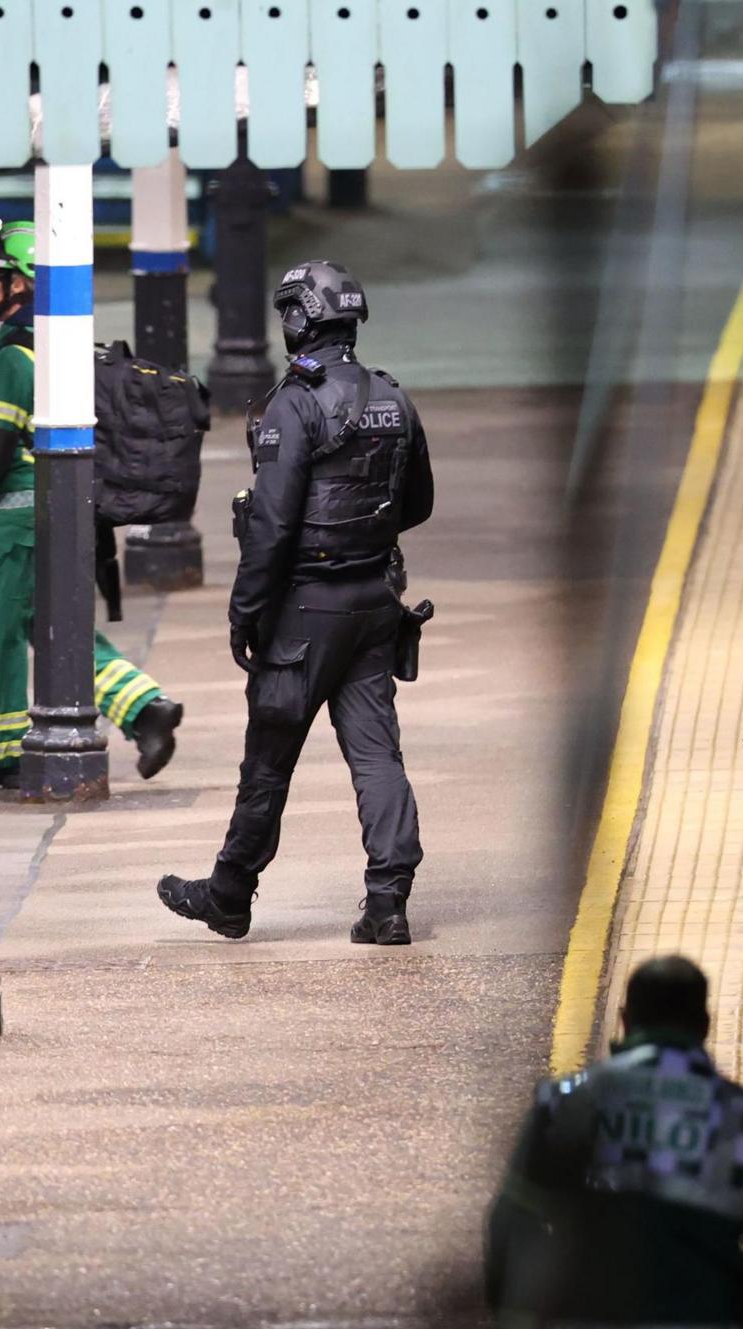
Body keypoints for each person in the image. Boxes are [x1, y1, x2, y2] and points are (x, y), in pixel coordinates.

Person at [156, 260, 431, 945]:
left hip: (305, 613)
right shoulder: (393, 398)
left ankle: (229, 893)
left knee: (269, 759)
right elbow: (419, 502)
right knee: (377, 755)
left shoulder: (294, 404)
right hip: (374, 602)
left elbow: (273, 526)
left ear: (300, 319)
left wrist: (246, 612)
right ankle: (387, 900)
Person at [486, 955, 743, 1329]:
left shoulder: (567, 1103)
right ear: (704, 1024)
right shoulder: (742, 1118)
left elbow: (514, 1220)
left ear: (625, 1019)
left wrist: (518, 1319)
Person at [0, 219, 183, 785]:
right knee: (61, 628)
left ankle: (2, 754)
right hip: (62, 517)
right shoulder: (60, 350)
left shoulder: (12, 361)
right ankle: (144, 708)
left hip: (15, 525)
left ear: (22, 283)